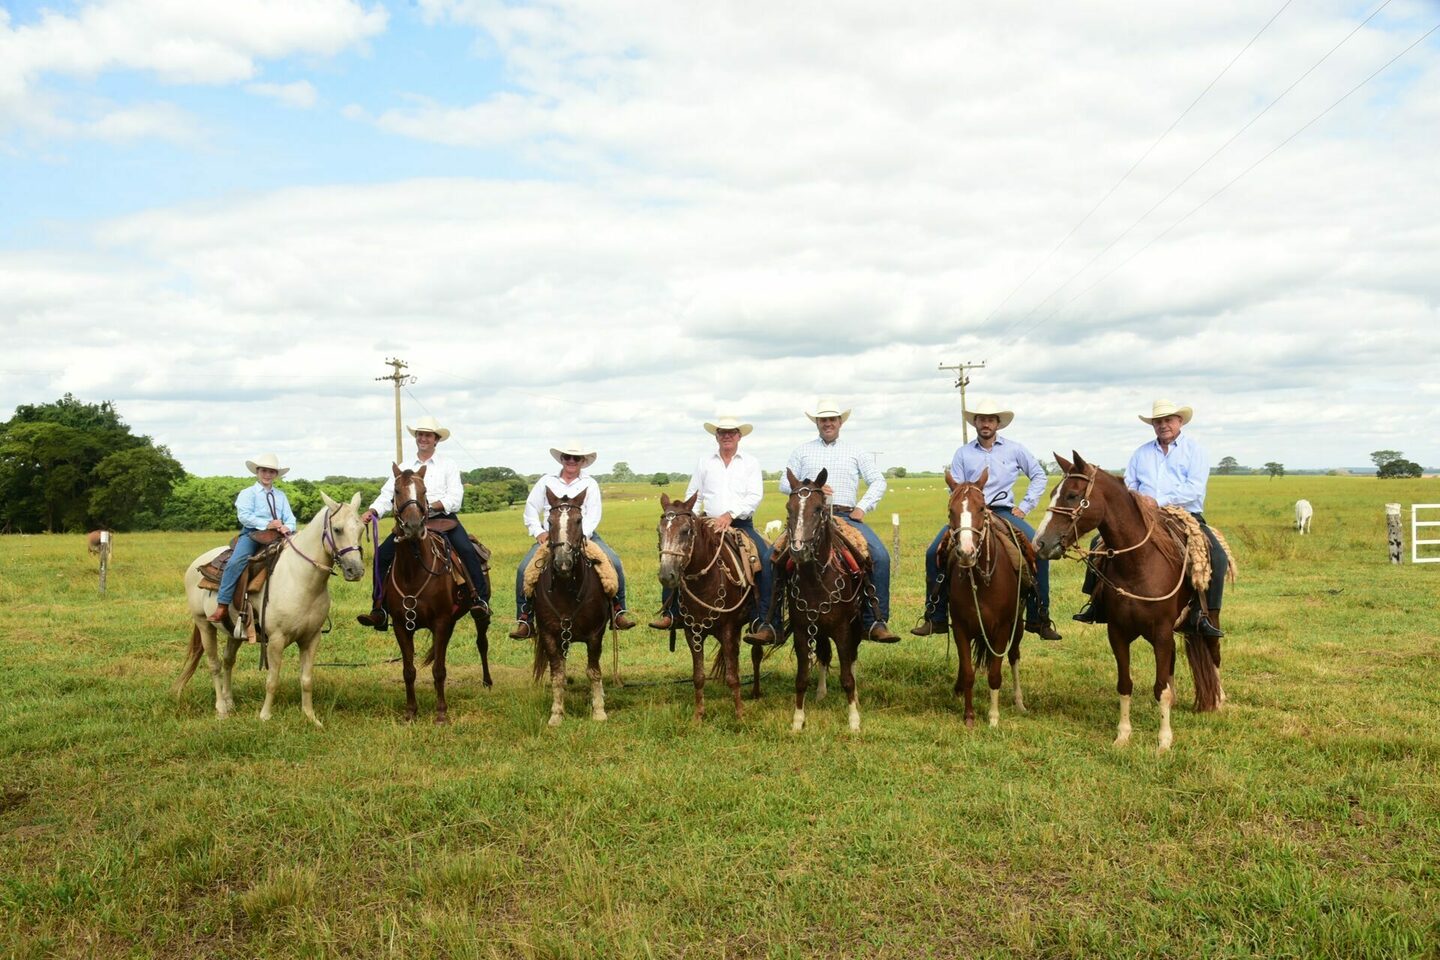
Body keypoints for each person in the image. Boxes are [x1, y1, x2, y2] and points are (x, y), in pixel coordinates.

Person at [1073, 399, 1226, 638]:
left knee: (1216, 553)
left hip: (1183, 513)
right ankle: (1097, 603)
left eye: (1168, 420)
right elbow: (1130, 485)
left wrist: (1159, 500)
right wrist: (1140, 501)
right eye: (1158, 422)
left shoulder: (1195, 451)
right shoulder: (1141, 453)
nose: (1163, 425)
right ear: (1153, 425)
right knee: (1097, 545)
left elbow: (1195, 488)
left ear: (1180, 422)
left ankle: (1203, 613)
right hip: (1143, 514)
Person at [912, 399, 1062, 640]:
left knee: (1037, 551)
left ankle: (1039, 617)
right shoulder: (963, 453)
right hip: (970, 515)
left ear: (998, 424)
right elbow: (957, 488)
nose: (986, 423)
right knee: (933, 552)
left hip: (1004, 511)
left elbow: (1038, 475)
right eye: (981, 419)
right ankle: (936, 616)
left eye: (991, 419)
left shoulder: (1015, 449)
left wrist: (1024, 507)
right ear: (976, 423)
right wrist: (969, 509)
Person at [648, 414, 781, 644]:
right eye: (722, 432)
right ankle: (672, 613)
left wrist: (730, 515)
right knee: (678, 553)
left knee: (767, 560)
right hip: (707, 523)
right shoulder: (704, 462)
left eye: (731, 432)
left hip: (741, 524)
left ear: (739, 436)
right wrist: (695, 519)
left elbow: (754, 496)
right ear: (716, 436)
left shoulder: (750, 462)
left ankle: (764, 621)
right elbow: (694, 494)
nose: (727, 436)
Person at [777, 398, 899, 642]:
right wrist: (813, 487)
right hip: (809, 518)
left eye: (832, 419)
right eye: (823, 420)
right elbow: (784, 483)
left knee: (880, 556)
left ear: (840, 422)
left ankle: (875, 620)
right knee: (774, 556)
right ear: (817, 423)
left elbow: (878, 481)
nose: (828, 423)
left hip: (845, 516)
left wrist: (862, 508)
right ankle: (772, 621)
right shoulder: (802, 451)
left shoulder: (856, 451)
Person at [356, 416, 489, 630]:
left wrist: (429, 506)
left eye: (428, 435)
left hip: (443, 519)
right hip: (409, 523)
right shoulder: (404, 466)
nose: (423, 438)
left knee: (467, 551)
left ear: (436, 439)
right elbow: (388, 495)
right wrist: (373, 511)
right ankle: (379, 608)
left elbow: (455, 498)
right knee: (382, 556)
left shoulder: (448, 465)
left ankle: (479, 600)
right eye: (420, 434)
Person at [508, 443, 638, 639]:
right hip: (550, 537)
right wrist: (538, 532)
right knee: (524, 569)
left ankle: (618, 611)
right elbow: (531, 509)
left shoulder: (590, 484)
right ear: (561, 459)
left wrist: (580, 536)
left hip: (584, 536)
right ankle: (525, 619)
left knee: (614, 563)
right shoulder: (545, 482)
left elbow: (593, 514)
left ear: (582, 462)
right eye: (567, 457)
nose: (571, 461)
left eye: (575, 458)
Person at [208, 453, 297, 623]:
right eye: (264, 470)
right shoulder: (248, 493)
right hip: (253, 534)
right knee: (236, 562)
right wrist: (267, 524)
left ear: (276, 475)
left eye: (271, 471)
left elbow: (290, 517)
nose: (267, 474)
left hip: (279, 535)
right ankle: (222, 605)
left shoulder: (281, 495)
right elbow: (244, 516)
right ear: (257, 472)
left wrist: (289, 527)